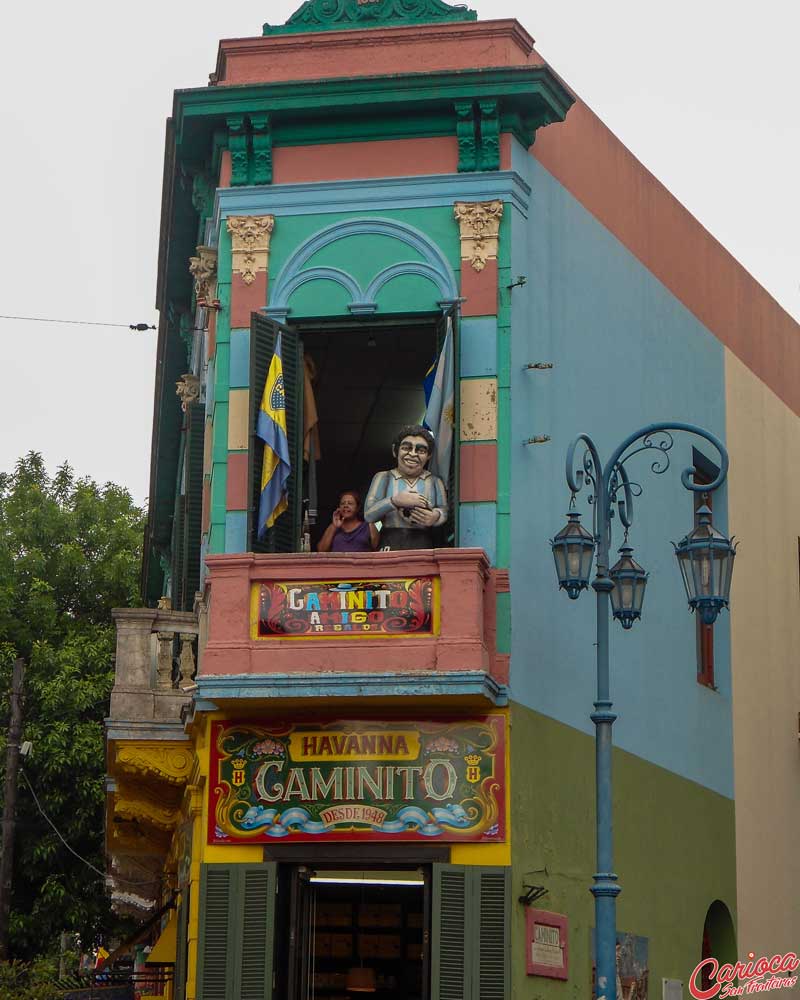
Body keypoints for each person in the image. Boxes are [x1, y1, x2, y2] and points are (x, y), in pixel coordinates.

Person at [364, 424, 448, 550]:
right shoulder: (383, 477)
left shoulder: (434, 481)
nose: (413, 454)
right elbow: (368, 514)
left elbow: (444, 510)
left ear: (429, 455)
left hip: (422, 543)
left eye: (421, 450)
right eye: (406, 448)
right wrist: (394, 501)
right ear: (395, 450)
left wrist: (435, 515)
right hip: (390, 542)